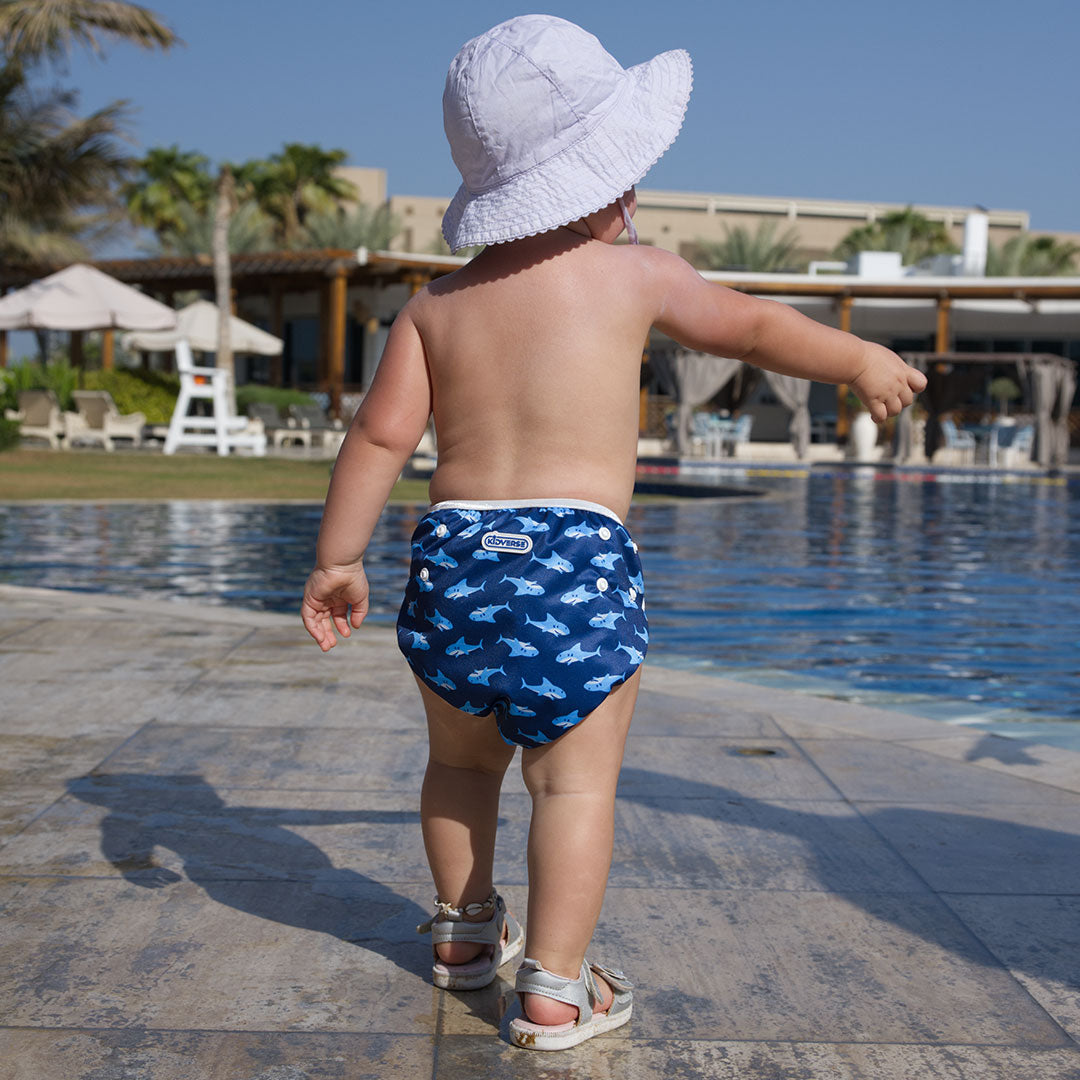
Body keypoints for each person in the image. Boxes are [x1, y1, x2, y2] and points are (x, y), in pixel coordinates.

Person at [301, 14, 927, 1052]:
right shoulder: (637, 274)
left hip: (454, 559)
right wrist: (857, 360)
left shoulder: (436, 308)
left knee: (461, 768)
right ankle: (552, 989)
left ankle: (462, 937)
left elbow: (378, 436)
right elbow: (759, 327)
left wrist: (336, 561)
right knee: (573, 781)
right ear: (610, 184)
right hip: (572, 559)